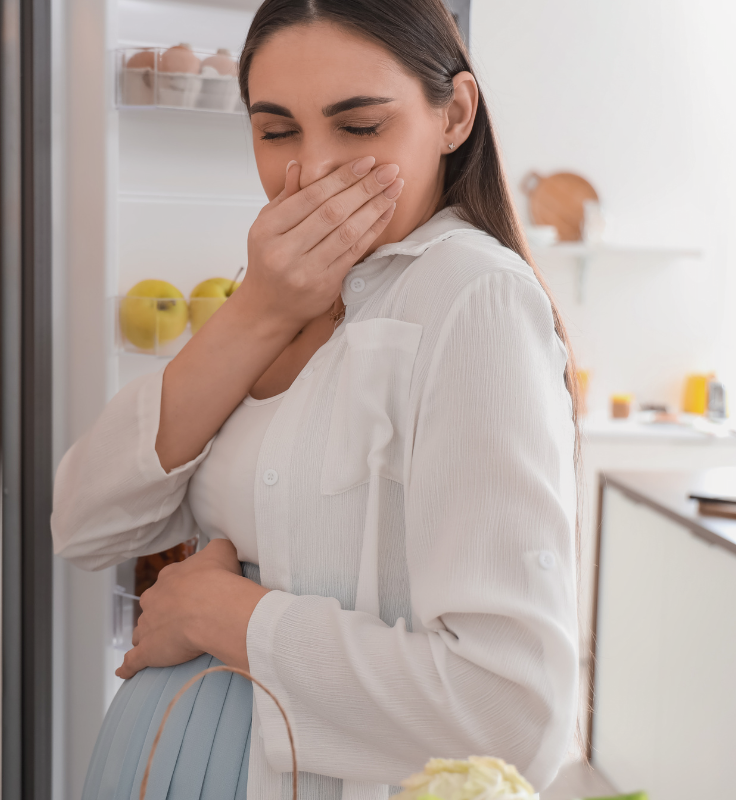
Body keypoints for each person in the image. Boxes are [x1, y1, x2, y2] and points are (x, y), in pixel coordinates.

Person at [51, 1, 580, 797]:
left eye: (360, 126)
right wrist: (258, 311)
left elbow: (510, 716)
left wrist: (219, 616)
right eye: (276, 131)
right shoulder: (274, 293)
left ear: (454, 115)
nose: (314, 170)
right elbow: (85, 523)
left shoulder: (472, 296)